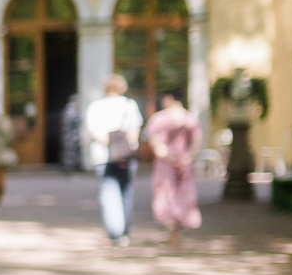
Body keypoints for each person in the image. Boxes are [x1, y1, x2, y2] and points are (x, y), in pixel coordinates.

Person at [82, 73, 144, 246]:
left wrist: (110, 144)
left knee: (109, 193)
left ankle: (116, 233)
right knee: (125, 192)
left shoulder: (96, 106)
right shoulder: (128, 105)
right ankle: (123, 231)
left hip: (103, 156)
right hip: (125, 155)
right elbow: (134, 129)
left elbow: (93, 131)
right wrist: (126, 146)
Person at [146, 90, 202, 248]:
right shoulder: (190, 119)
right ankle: (178, 226)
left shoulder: (159, 119)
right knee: (183, 193)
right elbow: (196, 142)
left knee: (165, 193)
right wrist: (187, 158)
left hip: (166, 163)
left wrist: (168, 159)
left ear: (169, 99)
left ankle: (171, 227)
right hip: (184, 161)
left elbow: (157, 144)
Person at [58, 91, 85, 172]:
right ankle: (68, 167)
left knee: (72, 151)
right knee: (69, 151)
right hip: (70, 136)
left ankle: (72, 166)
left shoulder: (70, 109)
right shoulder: (71, 110)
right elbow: (74, 122)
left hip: (69, 135)